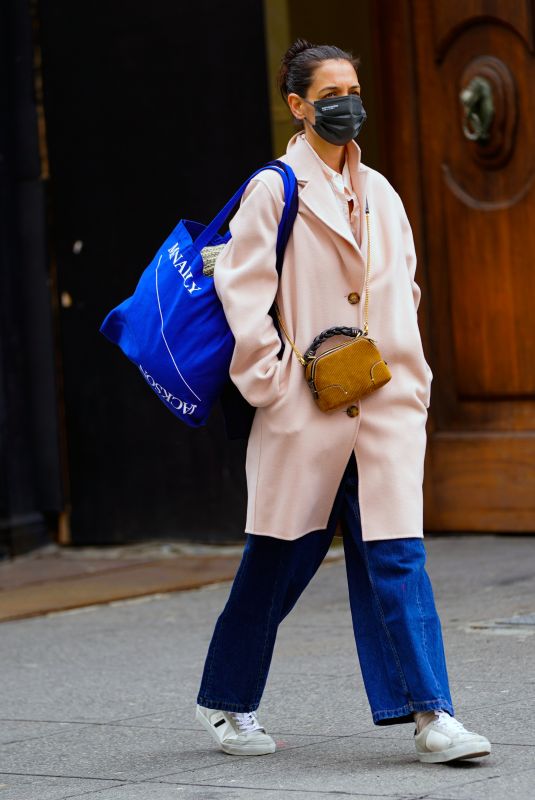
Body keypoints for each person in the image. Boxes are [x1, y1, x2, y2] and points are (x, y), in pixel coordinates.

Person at [195, 39, 491, 764]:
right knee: (277, 563)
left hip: (381, 408)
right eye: (329, 93)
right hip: (306, 413)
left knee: (398, 556)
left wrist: (410, 378)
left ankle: (432, 717)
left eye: (352, 89)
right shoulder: (274, 188)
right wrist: (274, 389)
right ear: (297, 106)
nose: (345, 104)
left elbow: (403, 288)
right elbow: (242, 297)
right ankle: (225, 702)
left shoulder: (382, 191)